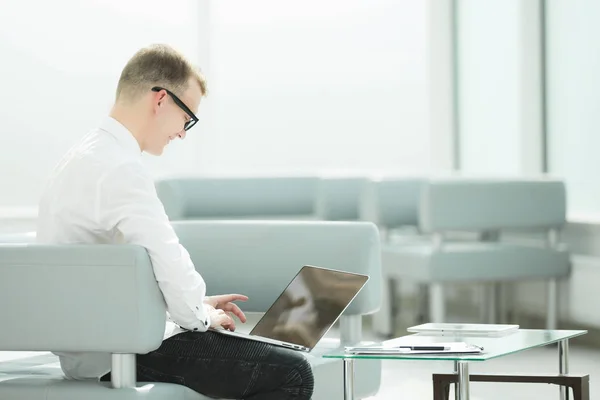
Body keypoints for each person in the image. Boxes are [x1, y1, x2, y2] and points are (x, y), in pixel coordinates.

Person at [36, 43, 314, 400]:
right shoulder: (120, 168)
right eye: (188, 119)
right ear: (161, 99)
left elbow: (115, 276)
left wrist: (199, 304)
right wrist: (202, 315)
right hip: (120, 352)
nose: (183, 133)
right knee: (292, 371)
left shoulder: (80, 157)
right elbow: (167, 257)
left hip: (97, 343)